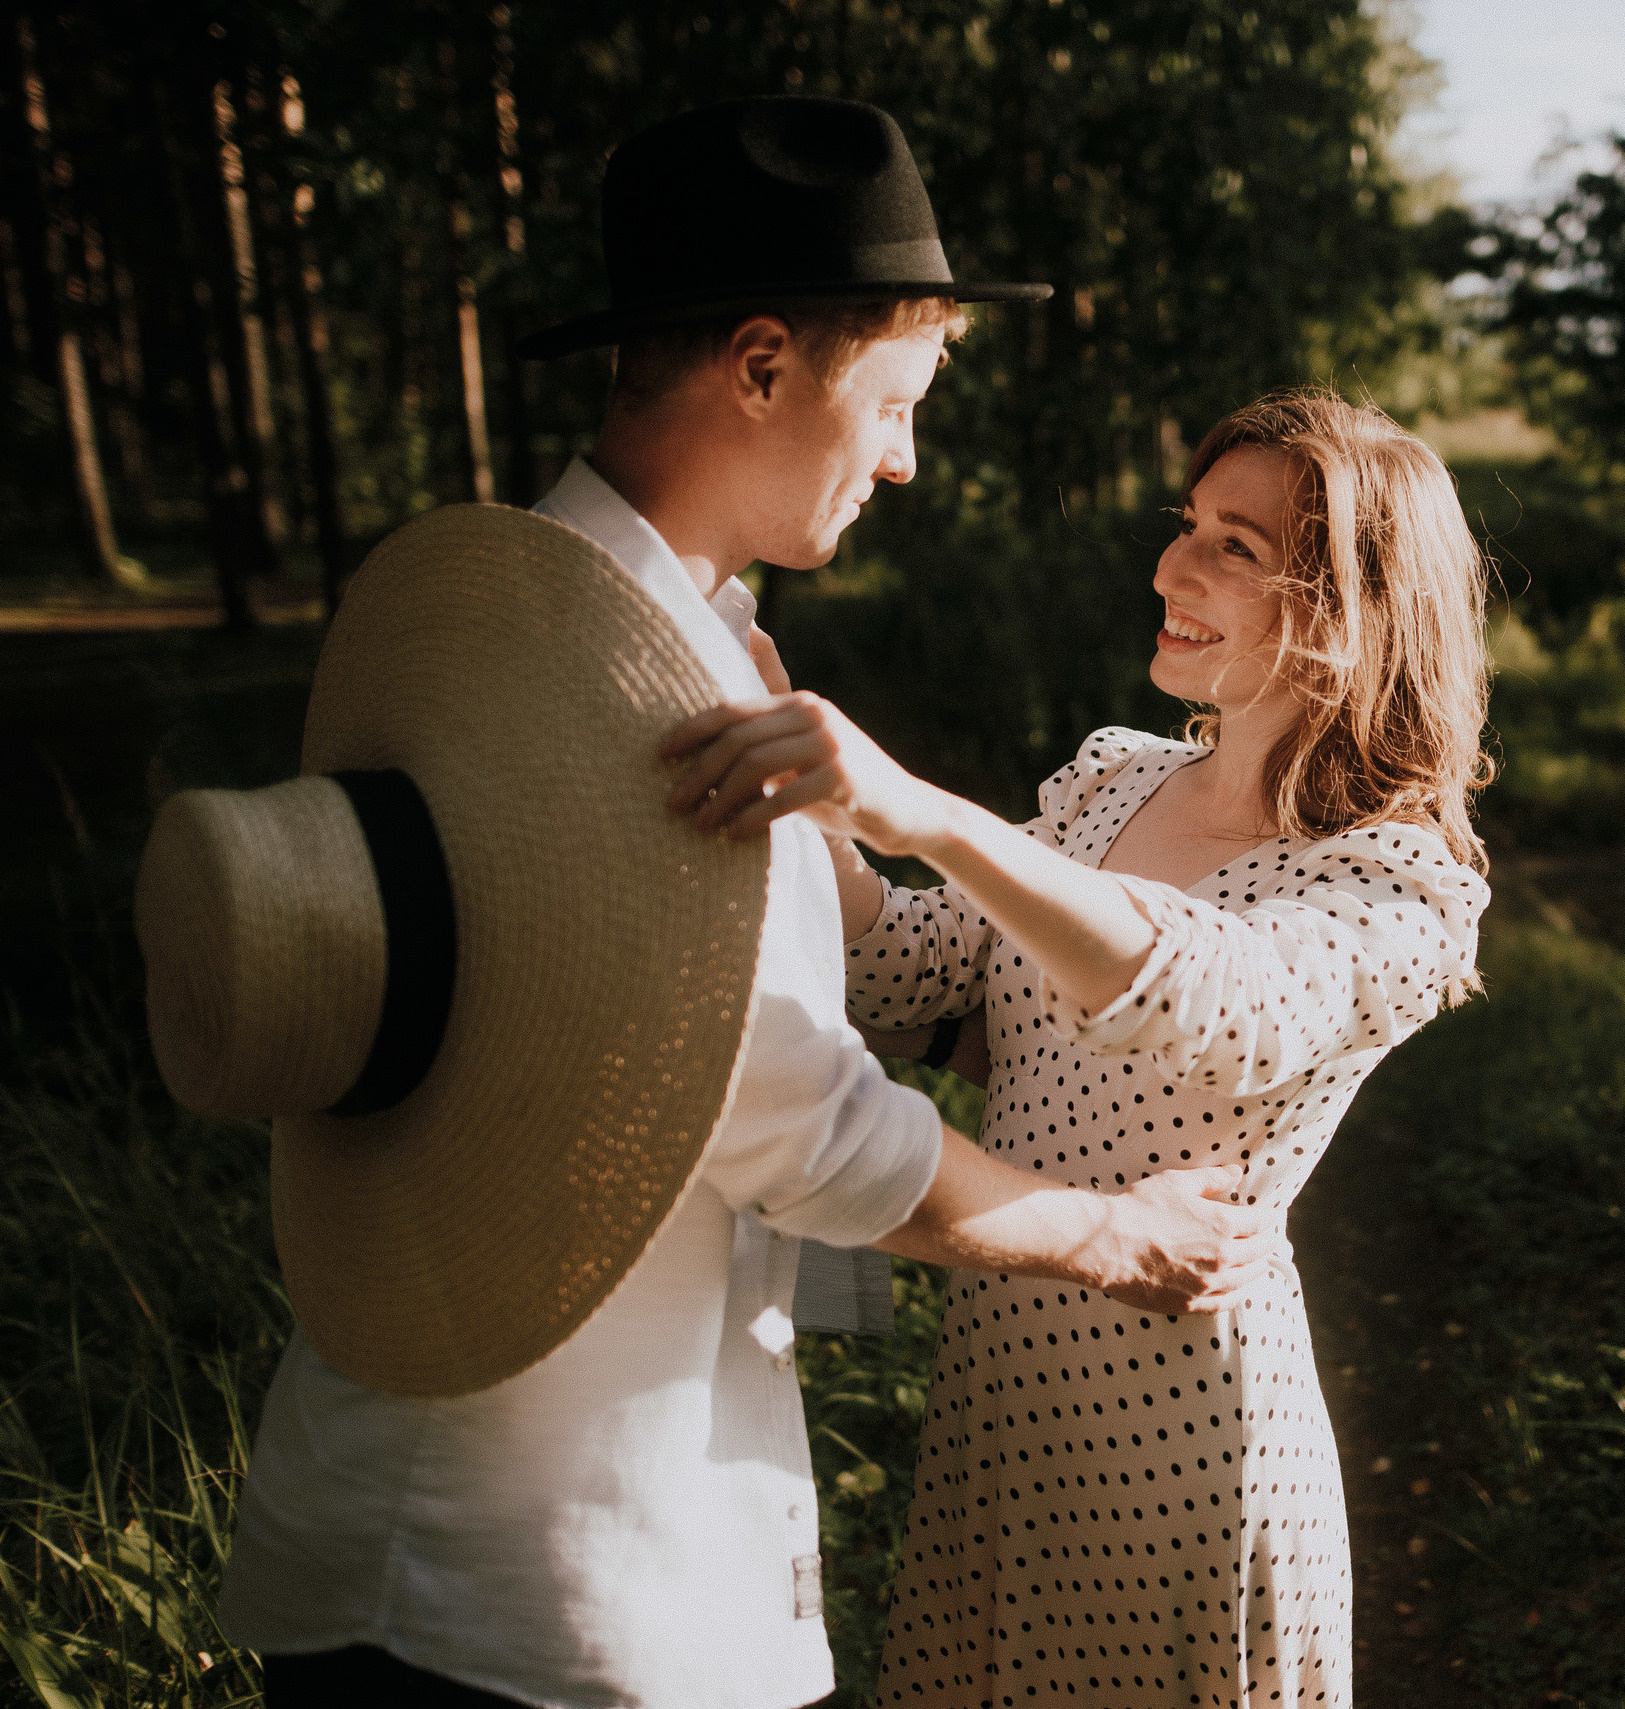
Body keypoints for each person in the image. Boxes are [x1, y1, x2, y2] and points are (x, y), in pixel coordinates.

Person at [191, 99, 1280, 1709]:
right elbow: (797, 1125)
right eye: (898, 401)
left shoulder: (542, 618)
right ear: (763, 366)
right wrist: (1115, 1233)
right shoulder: (643, 689)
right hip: (547, 1561)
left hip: (399, 1488)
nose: (908, 457)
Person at [662, 388, 1495, 1707]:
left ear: (1348, 608)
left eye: (1239, 545)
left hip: (1181, 1454)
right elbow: (904, 971)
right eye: (1190, 524)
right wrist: (804, 788)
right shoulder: (1115, 782)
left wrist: (922, 810)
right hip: (1000, 1400)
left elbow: (1218, 996)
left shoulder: (1398, 886)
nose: (1174, 564)